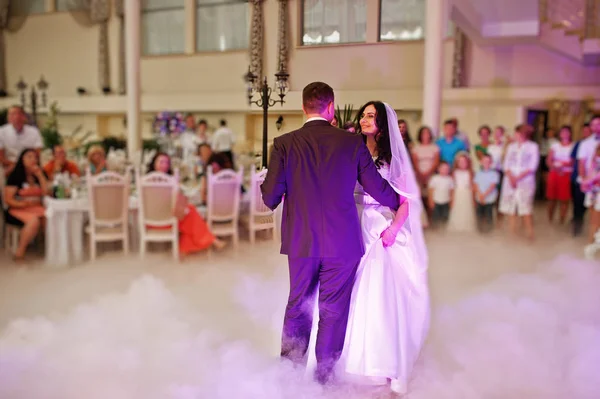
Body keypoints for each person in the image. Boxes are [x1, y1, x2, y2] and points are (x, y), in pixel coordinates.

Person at [261, 83, 400, 385]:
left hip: (301, 240)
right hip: (342, 242)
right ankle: (324, 378)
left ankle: (290, 375)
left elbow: (269, 198)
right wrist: (401, 203)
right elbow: (376, 187)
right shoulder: (351, 144)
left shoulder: (284, 143)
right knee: (333, 310)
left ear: (303, 108)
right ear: (331, 108)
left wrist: (271, 183)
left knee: (299, 306)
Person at [302, 101, 429, 395]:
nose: (363, 119)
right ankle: (342, 359)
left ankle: (377, 364)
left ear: (383, 124)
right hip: (351, 225)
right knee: (343, 293)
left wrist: (394, 229)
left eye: (371, 116)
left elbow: (407, 200)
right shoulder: (351, 149)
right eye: (363, 115)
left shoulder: (393, 159)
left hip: (380, 227)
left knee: (376, 293)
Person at [146, 152, 226, 255]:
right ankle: (211, 240)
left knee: (189, 214)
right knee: (191, 212)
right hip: (160, 220)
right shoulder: (156, 181)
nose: (164, 165)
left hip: (162, 219)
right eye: (161, 162)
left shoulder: (165, 180)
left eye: (166, 162)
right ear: (154, 163)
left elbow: (178, 202)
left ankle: (184, 248)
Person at [3, 148, 49, 260]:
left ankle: (46, 248)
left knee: (50, 217)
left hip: (37, 207)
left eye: (35, 157)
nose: (33, 159)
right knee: (33, 221)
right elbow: (8, 199)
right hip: (17, 208)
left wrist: (40, 176)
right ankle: (20, 253)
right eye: (29, 157)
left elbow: (46, 193)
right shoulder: (15, 176)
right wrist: (24, 204)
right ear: (22, 159)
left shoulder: (40, 174)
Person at [499, 124, 540, 240]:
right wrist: (511, 177)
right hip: (509, 180)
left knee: (525, 208)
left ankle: (530, 235)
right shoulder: (511, 146)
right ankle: (512, 234)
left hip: (525, 181)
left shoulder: (533, 147)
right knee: (511, 208)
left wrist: (518, 178)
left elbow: (532, 166)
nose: (515, 135)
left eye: (517, 133)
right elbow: (506, 163)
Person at [0, 105, 43, 175]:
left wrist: (26, 165)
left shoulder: (34, 131)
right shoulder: (1, 131)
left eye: (17, 114)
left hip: (29, 166)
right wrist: (17, 166)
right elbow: (1, 157)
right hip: (9, 166)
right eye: (11, 114)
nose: (14, 117)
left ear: (23, 117)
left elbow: (37, 154)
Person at [577, 115, 600, 243]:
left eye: (599, 124)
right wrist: (584, 180)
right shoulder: (586, 143)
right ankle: (592, 242)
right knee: (593, 215)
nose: (596, 127)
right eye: (594, 124)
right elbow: (582, 163)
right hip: (592, 183)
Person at [545, 125, 574, 224]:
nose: (564, 134)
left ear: (570, 133)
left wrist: (560, 163)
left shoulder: (573, 146)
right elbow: (549, 160)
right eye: (562, 131)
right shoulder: (555, 145)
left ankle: (562, 220)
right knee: (551, 198)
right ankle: (550, 219)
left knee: (564, 199)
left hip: (566, 174)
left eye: (567, 131)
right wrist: (557, 167)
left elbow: (573, 162)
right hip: (554, 173)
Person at [570, 123, 592, 236]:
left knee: (586, 204)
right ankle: (576, 223)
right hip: (577, 178)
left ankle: (581, 220)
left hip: (592, 179)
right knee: (577, 202)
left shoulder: (595, 143)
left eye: (587, 130)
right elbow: (574, 160)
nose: (585, 133)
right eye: (583, 131)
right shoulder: (579, 144)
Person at [473, 154, 500, 232]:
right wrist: (480, 195)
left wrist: (484, 195)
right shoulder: (478, 173)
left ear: (491, 163)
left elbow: (492, 186)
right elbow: (476, 185)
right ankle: (479, 230)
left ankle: (489, 231)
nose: (486, 163)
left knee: (489, 215)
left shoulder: (494, 174)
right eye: (484, 161)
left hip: (489, 199)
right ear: (481, 162)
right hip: (479, 198)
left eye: (488, 161)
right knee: (479, 215)